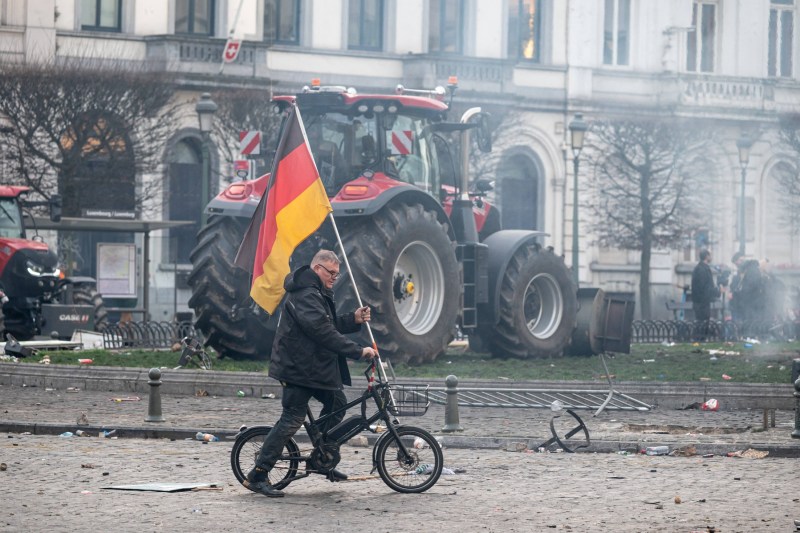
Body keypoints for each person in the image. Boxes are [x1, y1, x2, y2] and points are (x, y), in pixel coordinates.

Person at [245, 250, 378, 498]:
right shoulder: (306, 293)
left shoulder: (316, 291)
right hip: (297, 369)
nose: (335, 278)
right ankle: (258, 474)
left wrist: (353, 319)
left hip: (311, 368)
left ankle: (322, 455)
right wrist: (358, 351)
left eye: (337, 274)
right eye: (331, 273)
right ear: (317, 269)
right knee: (292, 419)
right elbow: (322, 332)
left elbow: (327, 324)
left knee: (337, 403)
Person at [690, 249, 719, 340]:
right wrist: (717, 291)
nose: (711, 257)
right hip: (701, 303)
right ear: (707, 256)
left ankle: (700, 340)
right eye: (710, 255)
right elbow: (704, 288)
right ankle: (699, 340)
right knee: (701, 324)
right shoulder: (701, 269)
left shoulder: (702, 268)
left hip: (702, 302)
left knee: (703, 324)